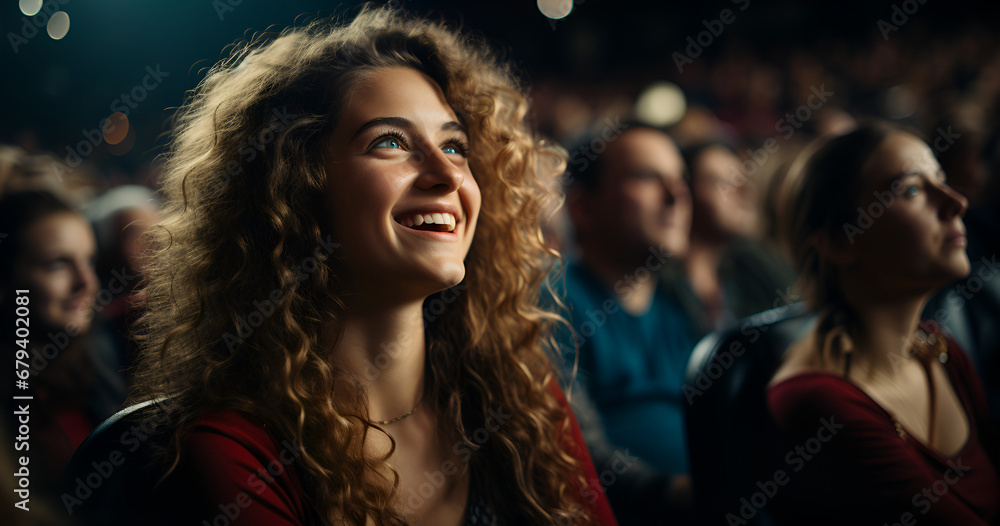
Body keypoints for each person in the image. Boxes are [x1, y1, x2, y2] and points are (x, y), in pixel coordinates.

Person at [125, 6, 616, 526]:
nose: (446, 174)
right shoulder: (234, 449)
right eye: (390, 142)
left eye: (455, 146)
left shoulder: (524, 399)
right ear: (297, 188)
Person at [768, 123, 1000, 524]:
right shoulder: (820, 399)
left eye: (941, 181)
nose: (956, 202)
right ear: (840, 242)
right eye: (911, 190)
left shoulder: (938, 349)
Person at [556, 123, 696, 524]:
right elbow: (577, 453)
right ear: (583, 208)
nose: (677, 196)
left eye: (680, 178)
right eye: (647, 177)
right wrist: (688, 492)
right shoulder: (551, 300)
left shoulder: (680, 302)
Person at [0, 190, 124, 517]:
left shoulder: (98, 358)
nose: (86, 282)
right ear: (7, 277)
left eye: (89, 261)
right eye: (58, 264)